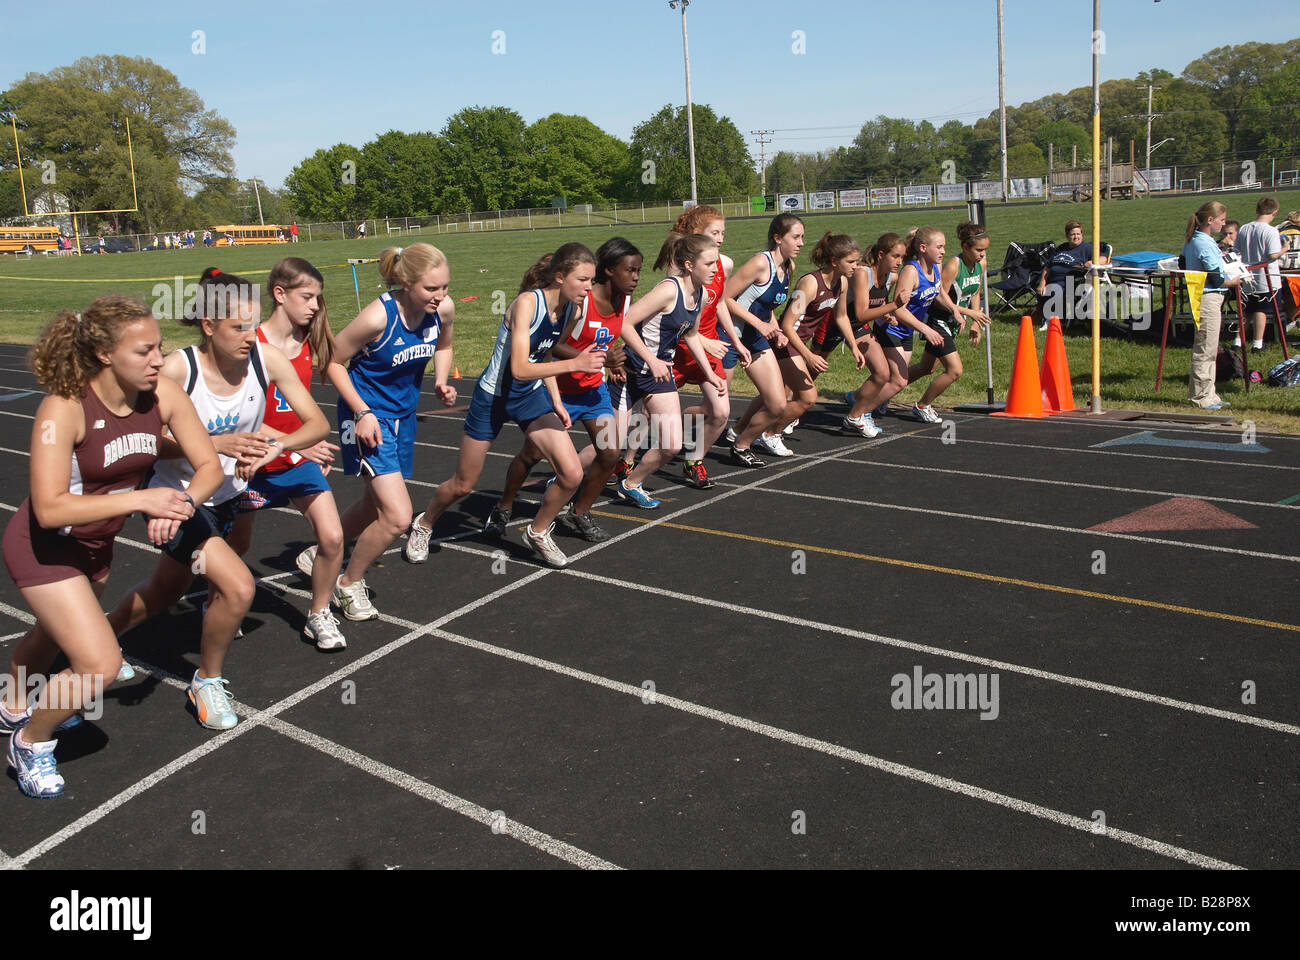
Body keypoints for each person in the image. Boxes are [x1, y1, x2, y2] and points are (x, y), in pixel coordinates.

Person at [0, 296, 219, 797]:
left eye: (160, 347)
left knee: (53, 636)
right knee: (99, 664)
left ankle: (13, 704)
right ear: (104, 354)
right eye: (144, 351)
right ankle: (29, 741)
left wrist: (179, 505)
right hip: (42, 546)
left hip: (95, 546)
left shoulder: (163, 395)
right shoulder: (65, 406)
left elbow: (207, 466)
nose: (159, 360)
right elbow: (50, 507)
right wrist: (148, 498)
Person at [105, 269, 328, 732]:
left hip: (228, 495)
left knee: (166, 590)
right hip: (181, 496)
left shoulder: (267, 361)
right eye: (238, 328)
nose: (250, 336)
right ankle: (206, 679)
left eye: (253, 325)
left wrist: (275, 446)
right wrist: (213, 444)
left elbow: (316, 423)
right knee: (240, 586)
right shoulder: (177, 370)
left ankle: (98, 639)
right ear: (208, 326)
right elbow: (141, 440)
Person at [404, 243, 604, 568]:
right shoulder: (528, 303)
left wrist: (555, 399)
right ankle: (424, 523)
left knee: (570, 473)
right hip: (493, 397)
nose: (588, 287)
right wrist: (576, 364)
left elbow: (547, 353)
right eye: (582, 279)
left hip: (530, 396)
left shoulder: (573, 310)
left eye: (591, 280)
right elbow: (520, 368)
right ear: (559, 276)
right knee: (463, 484)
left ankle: (537, 531)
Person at [326, 244, 456, 617]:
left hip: (404, 415)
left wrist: (441, 381)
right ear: (405, 282)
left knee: (373, 505)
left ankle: (324, 549)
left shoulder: (441, 311)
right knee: (398, 516)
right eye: (432, 288)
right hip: (367, 418)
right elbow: (332, 361)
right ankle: (348, 584)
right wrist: (362, 411)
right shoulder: (377, 317)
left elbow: (444, 346)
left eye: (445, 286)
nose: (441, 296)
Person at [226, 258, 347, 651]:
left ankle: (319, 613)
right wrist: (297, 442)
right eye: (307, 296)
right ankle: (223, 600)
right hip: (253, 462)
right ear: (279, 294)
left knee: (332, 538)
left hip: (295, 460)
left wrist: (303, 444)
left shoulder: (310, 340)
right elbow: (238, 417)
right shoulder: (246, 344)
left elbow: (306, 406)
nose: (315, 305)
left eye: (317, 298)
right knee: (236, 548)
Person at [491, 238, 641, 543]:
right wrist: (592, 358)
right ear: (609, 270)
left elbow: (601, 341)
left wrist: (608, 361)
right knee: (531, 455)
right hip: (558, 388)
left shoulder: (622, 300)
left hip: (592, 390)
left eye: (638, 270)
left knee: (610, 452)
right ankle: (504, 504)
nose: (637, 277)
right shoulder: (580, 301)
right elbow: (552, 346)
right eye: (631, 270)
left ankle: (579, 512)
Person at [611, 233, 727, 508]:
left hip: (659, 375)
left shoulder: (701, 294)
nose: (715, 269)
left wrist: (709, 374)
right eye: (709, 263)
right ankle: (564, 481)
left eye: (716, 263)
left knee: (672, 444)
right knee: (608, 445)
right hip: (632, 370)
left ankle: (630, 484)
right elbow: (624, 323)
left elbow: (692, 335)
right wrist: (650, 358)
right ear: (689, 265)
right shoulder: (668, 290)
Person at [667, 206, 750, 489]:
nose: (721, 238)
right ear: (696, 236)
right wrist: (702, 341)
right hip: (680, 345)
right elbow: (676, 317)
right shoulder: (679, 268)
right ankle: (626, 456)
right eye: (715, 233)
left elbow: (721, 303)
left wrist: (736, 341)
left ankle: (694, 461)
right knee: (651, 409)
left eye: (723, 233)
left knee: (720, 412)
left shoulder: (724, 264)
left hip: (709, 347)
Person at [845, 227, 961, 425]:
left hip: (906, 330)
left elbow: (938, 290)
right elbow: (898, 308)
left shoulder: (935, 267)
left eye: (944, 247)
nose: (943, 251)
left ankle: (857, 398)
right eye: (939, 247)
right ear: (923, 248)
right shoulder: (909, 271)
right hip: (891, 330)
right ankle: (861, 413)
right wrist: (925, 329)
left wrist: (954, 309)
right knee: (898, 380)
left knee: (893, 378)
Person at [761, 232, 865, 449]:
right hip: (785, 341)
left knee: (774, 398)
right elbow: (787, 325)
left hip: (798, 344)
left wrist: (854, 346)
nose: (856, 266)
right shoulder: (810, 284)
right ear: (835, 261)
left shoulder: (842, 283)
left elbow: (841, 316)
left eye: (858, 261)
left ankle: (741, 433)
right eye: (851, 261)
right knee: (807, 396)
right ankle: (770, 434)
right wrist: (808, 355)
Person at [724, 214, 805, 467]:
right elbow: (725, 298)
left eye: (802, 237)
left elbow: (766, 305)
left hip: (755, 339)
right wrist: (759, 324)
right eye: (796, 237)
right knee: (715, 409)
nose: (801, 242)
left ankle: (741, 445)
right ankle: (678, 425)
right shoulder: (761, 263)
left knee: (777, 403)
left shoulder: (789, 267)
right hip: (728, 336)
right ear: (778, 238)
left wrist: (775, 328)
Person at [905, 221, 992, 422]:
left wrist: (975, 323)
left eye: (985, 250)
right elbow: (939, 293)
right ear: (965, 247)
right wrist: (967, 312)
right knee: (954, 370)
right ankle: (922, 405)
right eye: (979, 250)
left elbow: (976, 292)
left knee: (927, 368)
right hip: (939, 319)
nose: (982, 254)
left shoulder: (981, 264)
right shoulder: (954, 265)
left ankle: (882, 391)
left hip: (954, 322)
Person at [839, 232, 908, 434]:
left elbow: (877, 303)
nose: (899, 262)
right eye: (895, 256)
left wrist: (887, 313)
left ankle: (855, 416)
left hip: (857, 328)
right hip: (837, 324)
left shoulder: (890, 278)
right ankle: (783, 414)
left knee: (882, 373)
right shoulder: (863, 274)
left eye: (902, 257)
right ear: (881, 255)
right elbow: (861, 313)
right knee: (810, 373)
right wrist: (893, 306)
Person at [1183, 201, 1243, 410]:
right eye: (1222, 220)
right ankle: (1200, 396)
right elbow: (1217, 277)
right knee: (1205, 349)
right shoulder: (1202, 242)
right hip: (1208, 297)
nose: (1224, 224)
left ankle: (1210, 393)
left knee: (1210, 348)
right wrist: (1234, 281)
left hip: (1208, 297)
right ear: (1210, 220)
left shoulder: (1200, 240)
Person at [1036, 220, 1111, 330]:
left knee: (1054, 291)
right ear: (1067, 236)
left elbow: (1104, 258)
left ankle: (1053, 321)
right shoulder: (1061, 248)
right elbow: (1047, 267)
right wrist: (1042, 283)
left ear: (1082, 234)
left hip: (1070, 281)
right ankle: (1052, 317)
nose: (1076, 237)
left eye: (1078, 234)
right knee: (1043, 291)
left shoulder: (1087, 248)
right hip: (1052, 280)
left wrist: (1091, 262)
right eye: (1072, 234)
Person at [1233, 197, 1284, 351]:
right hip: (1265, 277)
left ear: (1257, 210)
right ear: (1275, 212)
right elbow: (1273, 255)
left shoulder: (1244, 228)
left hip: (1247, 275)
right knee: (1261, 311)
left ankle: (1237, 340)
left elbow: (1237, 251)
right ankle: (1257, 343)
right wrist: (1285, 249)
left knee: (1246, 311)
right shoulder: (1271, 230)